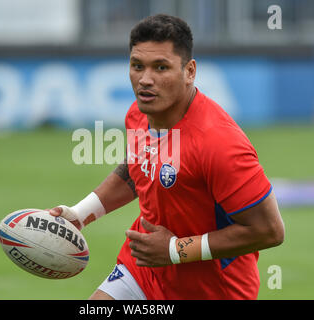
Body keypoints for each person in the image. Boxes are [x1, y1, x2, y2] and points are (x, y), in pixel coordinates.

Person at [49, 14, 285, 300]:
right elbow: (138, 170)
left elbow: (268, 231)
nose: (145, 80)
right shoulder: (138, 114)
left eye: (161, 67)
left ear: (189, 71)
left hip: (212, 291)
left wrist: (175, 250)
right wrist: (81, 214)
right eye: (137, 66)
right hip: (142, 272)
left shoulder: (220, 144)